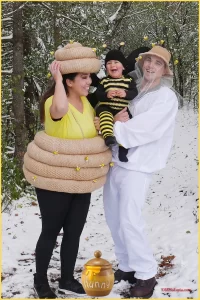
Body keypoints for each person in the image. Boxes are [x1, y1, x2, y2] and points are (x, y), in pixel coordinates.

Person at [102, 46, 178, 298]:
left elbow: (146, 129)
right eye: (148, 60)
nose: (150, 66)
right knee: (114, 217)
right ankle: (126, 265)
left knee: (129, 219)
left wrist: (114, 125)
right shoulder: (133, 88)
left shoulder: (165, 97)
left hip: (138, 165)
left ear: (164, 69)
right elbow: (113, 107)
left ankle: (146, 273)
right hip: (116, 161)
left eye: (157, 63)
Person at [32, 42, 101, 298]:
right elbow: (60, 110)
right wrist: (57, 79)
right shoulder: (55, 101)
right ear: (70, 81)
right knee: (51, 230)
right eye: (84, 77)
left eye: (90, 76)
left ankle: (67, 279)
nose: (89, 81)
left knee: (74, 232)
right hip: (54, 180)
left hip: (80, 180)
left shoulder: (89, 104)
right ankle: (40, 281)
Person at [95, 49, 138, 162]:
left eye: (116, 62)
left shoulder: (128, 80)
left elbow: (134, 92)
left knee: (127, 125)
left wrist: (126, 93)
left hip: (122, 108)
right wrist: (106, 94)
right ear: (106, 68)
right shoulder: (104, 81)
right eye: (109, 63)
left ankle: (123, 150)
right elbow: (97, 94)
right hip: (107, 107)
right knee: (105, 116)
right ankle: (108, 136)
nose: (112, 65)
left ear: (123, 67)